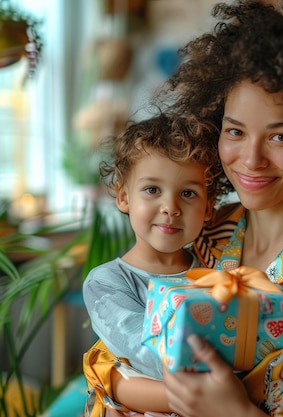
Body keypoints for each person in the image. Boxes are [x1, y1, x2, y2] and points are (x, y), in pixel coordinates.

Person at [87, 1, 283, 416]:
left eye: (280, 137)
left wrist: (237, 411)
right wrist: (121, 382)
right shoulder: (206, 229)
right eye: (235, 131)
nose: (251, 159)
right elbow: (118, 346)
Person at [81, 113, 223, 416]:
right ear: (123, 196)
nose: (170, 208)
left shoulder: (218, 276)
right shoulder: (106, 283)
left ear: (208, 207)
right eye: (152, 190)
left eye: (188, 193)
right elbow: (144, 349)